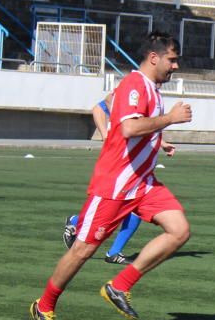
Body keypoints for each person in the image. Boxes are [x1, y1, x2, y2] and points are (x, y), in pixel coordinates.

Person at [30, 31, 193, 320]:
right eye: (172, 60)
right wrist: (169, 119)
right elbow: (129, 127)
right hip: (115, 185)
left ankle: (119, 286)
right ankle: (45, 305)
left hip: (142, 183)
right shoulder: (135, 84)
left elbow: (128, 124)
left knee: (180, 230)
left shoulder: (150, 88)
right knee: (82, 251)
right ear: (154, 57)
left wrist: (158, 141)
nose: (176, 66)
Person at [62, 92, 154, 264]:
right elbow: (99, 107)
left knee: (135, 204)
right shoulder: (132, 89)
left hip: (133, 162)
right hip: (117, 161)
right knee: (112, 205)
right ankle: (77, 223)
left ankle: (114, 251)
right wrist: (105, 134)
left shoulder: (150, 93)